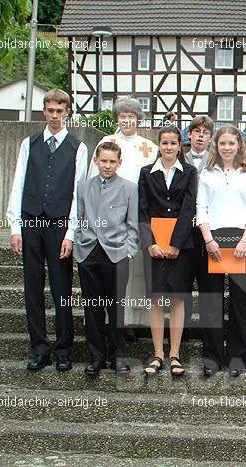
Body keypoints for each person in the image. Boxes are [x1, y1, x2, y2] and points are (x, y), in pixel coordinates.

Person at [6, 89, 89, 371]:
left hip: (58, 224)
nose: (55, 116)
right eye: (50, 111)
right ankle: (39, 348)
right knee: (32, 288)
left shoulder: (78, 147)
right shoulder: (30, 144)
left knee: (61, 287)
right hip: (31, 221)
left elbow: (79, 193)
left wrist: (71, 233)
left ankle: (64, 349)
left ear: (67, 112)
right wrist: (15, 227)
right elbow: (18, 184)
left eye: (60, 111)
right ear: (44, 111)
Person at [89, 97, 158, 333]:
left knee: (135, 269)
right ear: (117, 118)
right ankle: (111, 321)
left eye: (132, 116)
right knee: (113, 272)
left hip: (137, 216)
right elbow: (92, 180)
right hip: (110, 218)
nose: (127, 120)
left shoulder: (150, 147)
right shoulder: (107, 142)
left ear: (138, 119)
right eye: (123, 116)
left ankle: (133, 322)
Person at [197, 125, 246, 377]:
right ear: (216, 145)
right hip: (213, 239)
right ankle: (212, 356)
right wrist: (208, 239)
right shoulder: (206, 173)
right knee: (211, 300)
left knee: (238, 302)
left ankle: (238, 356)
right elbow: (201, 207)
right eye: (222, 143)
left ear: (239, 146)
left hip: (240, 240)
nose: (226, 148)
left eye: (231, 143)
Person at [74, 142, 138, 375]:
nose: (108, 165)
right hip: (89, 252)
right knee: (92, 307)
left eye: (112, 161)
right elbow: (79, 217)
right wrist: (80, 243)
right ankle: (96, 356)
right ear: (96, 161)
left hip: (117, 254)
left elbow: (133, 225)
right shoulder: (83, 187)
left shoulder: (130, 188)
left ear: (119, 163)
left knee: (116, 307)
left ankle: (118, 356)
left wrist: (128, 250)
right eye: (104, 161)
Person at [138, 126, 197, 376]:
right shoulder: (145, 173)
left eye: (173, 143)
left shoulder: (190, 172)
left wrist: (176, 243)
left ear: (180, 145)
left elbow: (189, 208)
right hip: (154, 245)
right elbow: (141, 210)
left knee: (177, 298)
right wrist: (149, 243)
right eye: (164, 143)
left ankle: (174, 354)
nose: (169, 147)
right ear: (158, 145)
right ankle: (157, 354)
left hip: (181, 246)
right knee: (156, 298)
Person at [182, 115, 214, 340]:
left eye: (205, 132)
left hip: (208, 229)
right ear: (190, 134)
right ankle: (182, 329)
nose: (201, 136)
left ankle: (206, 329)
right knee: (182, 281)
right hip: (184, 229)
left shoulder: (216, 160)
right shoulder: (179, 157)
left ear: (210, 138)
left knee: (207, 283)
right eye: (197, 131)